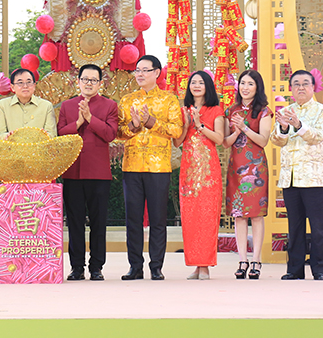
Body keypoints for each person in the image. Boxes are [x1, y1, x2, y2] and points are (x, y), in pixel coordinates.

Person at [117, 55, 184, 281]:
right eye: (137, 70)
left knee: (158, 219)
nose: (140, 74)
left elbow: (177, 131)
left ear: (157, 73)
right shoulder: (127, 100)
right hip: (132, 166)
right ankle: (135, 266)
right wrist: (134, 125)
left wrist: (152, 122)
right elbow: (118, 133)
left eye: (145, 70)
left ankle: (156, 266)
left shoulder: (169, 100)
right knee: (133, 220)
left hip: (159, 167)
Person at [57, 64, 118, 282]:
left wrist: (91, 119)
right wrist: (78, 122)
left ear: (100, 83)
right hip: (73, 172)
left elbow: (110, 134)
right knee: (74, 222)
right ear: (78, 81)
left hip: (99, 173)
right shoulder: (67, 106)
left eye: (93, 80)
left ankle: (96, 267)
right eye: (85, 79)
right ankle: (76, 267)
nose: (88, 83)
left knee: (98, 222)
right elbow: (60, 134)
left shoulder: (110, 105)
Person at [270, 69, 323, 281]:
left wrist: (298, 125)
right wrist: (283, 128)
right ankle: (294, 269)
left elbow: (319, 136)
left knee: (317, 227)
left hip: (313, 177)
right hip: (290, 177)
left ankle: (319, 269)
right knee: (294, 227)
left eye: (305, 83)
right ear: (291, 89)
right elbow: (276, 140)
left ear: (313, 87)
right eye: (296, 84)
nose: (301, 87)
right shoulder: (285, 111)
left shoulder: (322, 111)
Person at [173, 71, 225, 280]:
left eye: (200, 82)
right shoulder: (183, 110)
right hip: (188, 171)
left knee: (207, 217)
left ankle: (205, 266)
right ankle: (196, 265)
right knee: (190, 218)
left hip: (208, 173)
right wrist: (187, 124)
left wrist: (200, 125)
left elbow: (219, 139)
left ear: (208, 86)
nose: (196, 86)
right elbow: (177, 142)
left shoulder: (215, 110)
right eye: (193, 82)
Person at [223, 70, 272, 280]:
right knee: (239, 215)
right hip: (236, 166)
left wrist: (244, 127)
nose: (245, 87)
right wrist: (236, 131)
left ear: (257, 87)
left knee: (257, 215)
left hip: (256, 167)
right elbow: (225, 142)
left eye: (250, 84)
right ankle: (242, 260)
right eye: (242, 83)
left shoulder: (264, 111)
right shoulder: (231, 110)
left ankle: (256, 260)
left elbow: (263, 140)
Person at [0, 68, 57, 138]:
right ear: (12, 87)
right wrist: (8, 136)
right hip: (12, 144)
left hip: (39, 144)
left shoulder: (46, 106)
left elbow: (52, 134)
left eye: (29, 82)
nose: (25, 86)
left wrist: (43, 136)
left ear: (34, 85)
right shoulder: (2, 105)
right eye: (20, 83)